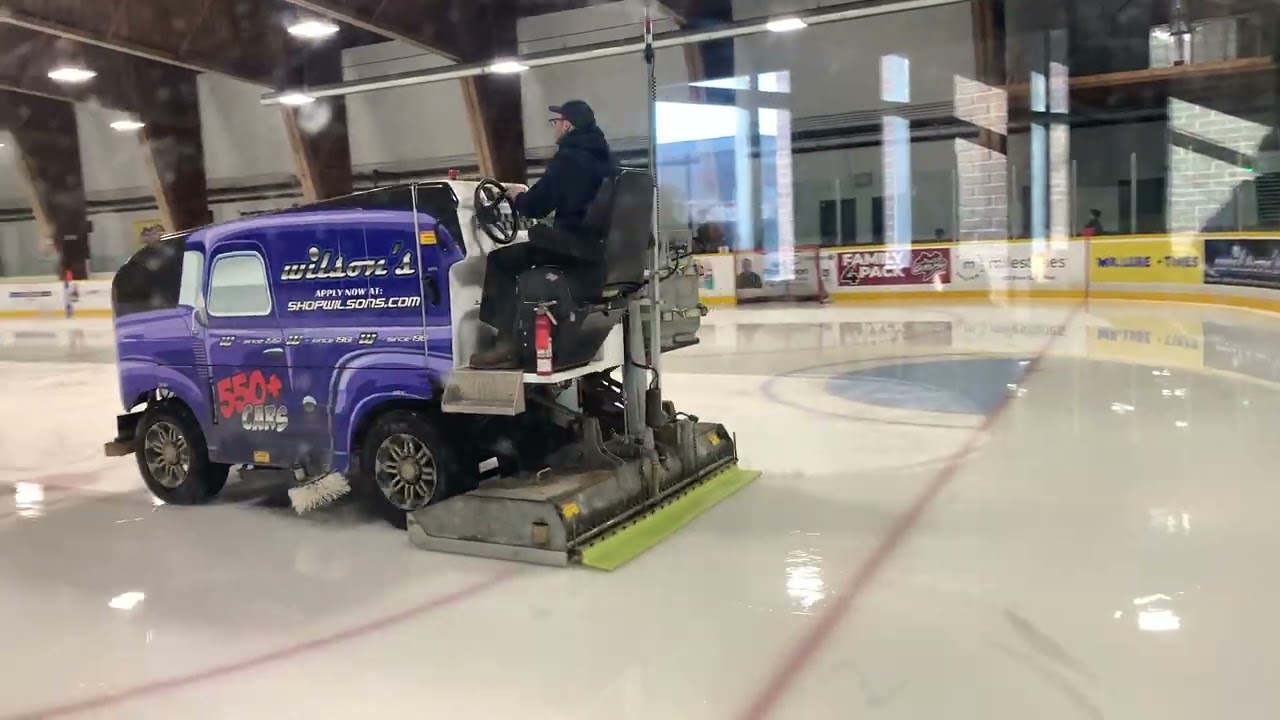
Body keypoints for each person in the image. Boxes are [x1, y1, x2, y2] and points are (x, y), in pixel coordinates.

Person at [470, 100, 616, 369]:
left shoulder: (569, 158)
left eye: (556, 122)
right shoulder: (608, 159)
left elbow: (537, 206)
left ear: (567, 125)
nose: (555, 128)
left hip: (573, 245)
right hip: (597, 246)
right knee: (532, 244)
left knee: (502, 261)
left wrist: (517, 197)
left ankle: (505, 344)